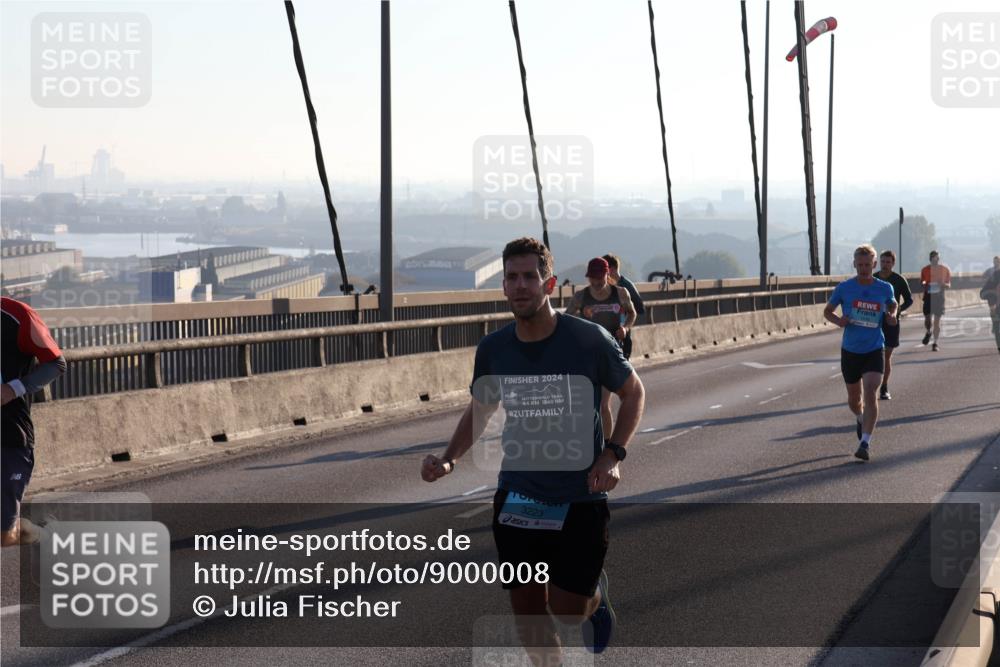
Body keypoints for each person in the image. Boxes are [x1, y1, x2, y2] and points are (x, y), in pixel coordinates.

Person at [421, 238, 645, 663]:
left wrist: (612, 454)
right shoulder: (494, 348)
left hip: (580, 495)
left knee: (566, 610)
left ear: (549, 284)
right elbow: (481, 409)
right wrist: (449, 457)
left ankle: (595, 596)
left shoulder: (589, 340)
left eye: (530, 276)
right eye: (512, 277)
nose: (521, 285)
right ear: (503, 287)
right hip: (520, 492)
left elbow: (634, 393)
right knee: (527, 609)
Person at [2, 296, 66, 547]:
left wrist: (13, 388)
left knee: (6, 537)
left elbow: (55, 363)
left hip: (9, 434)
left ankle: (43, 532)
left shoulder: (15, 314)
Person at [823, 245, 897, 462]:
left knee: (871, 390)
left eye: (868, 265)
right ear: (854, 264)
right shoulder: (845, 288)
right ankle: (859, 417)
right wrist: (839, 321)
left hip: (874, 348)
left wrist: (892, 314)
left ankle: (865, 442)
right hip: (851, 350)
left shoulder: (884, 288)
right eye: (860, 265)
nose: (864, 269)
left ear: (874, 265)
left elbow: (892, 305)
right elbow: (828, 311)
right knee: (854, 399)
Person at [565, 257, 637, 440]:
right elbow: (566, 320)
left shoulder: (620, 293)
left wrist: (625, 328)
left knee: (604, 403)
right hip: (586, 354)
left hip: (610, 354)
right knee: (588, 402)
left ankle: (606, 445)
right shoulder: (581, 297)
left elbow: (632, 312)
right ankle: (589, 439)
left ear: (607, 274)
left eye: (599, 277)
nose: (596, 282)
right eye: (592, 278)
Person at [876, 250, 913, 400]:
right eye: (883, 261)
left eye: (888, 262)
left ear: (893, 264)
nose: (885, 265)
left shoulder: (899, 280)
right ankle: (872, 386)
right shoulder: (874, 278)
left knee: (886, 356)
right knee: (874, 355)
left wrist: (898, 312)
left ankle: (884, 386)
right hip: (875, 322)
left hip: (891, 322)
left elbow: (909, 300)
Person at [602, 254, 645, 361]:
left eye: (604, 270)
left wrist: (625, 312)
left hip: (622, 335)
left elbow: (639, 308)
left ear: (611, 269)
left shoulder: (626, 286)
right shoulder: (601, 287)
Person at [920, 250, 952, 351]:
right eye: (933, 258)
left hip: (939, 297)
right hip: (928, 296)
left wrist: (943, 284)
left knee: (937, 322)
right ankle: (928, 331)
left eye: (937, 258)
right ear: (930, 259)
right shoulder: (925, 270)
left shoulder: (945, 269)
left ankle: (935, 343)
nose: (935, 259)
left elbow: (949, 284)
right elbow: (922, 281)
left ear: (939, 258)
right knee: (928, 319)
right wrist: (925, 284)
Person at [983, 256, 1000, 353]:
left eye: (997, 261)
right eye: (994, 261)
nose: (995, 263)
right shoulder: (995, 274)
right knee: (997, 328)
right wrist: (992, 302)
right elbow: (983, 292)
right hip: (996, 306)